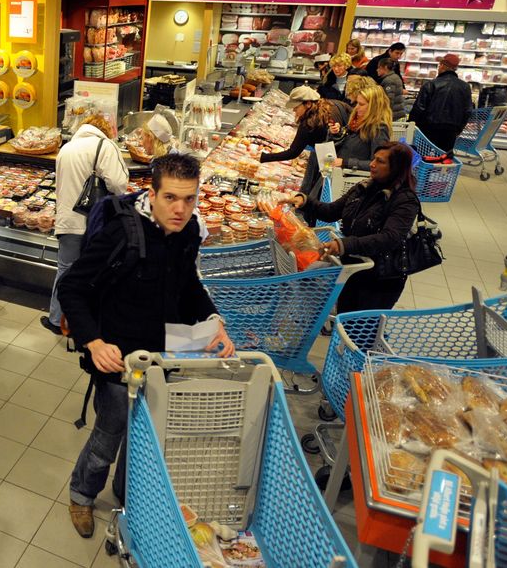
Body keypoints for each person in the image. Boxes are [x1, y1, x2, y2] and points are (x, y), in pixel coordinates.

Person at [57, 154, 233, 538]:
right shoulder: (121, 233)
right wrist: (94, 341)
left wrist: (213, 323)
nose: (181, 209)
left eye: (189, 199)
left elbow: (188, 287)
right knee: (109, 435)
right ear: (151, 193)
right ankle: (81, 494)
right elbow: (70, 287)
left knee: (145, 438)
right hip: (118, 359)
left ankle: (126, 495)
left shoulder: (187, 232)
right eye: (171, 197)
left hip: (164, 357)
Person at [287, 143, 419, 314]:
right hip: (355, 268)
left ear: (396, 168)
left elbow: (390, 238)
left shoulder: (405, 201)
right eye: (373, 159)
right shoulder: (364, 188)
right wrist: (305, 201)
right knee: (344, 315)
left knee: (360, 328)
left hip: (380, 278)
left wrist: (345, 244)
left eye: (380, 161)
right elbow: (331, 211)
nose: (372, 164)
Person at [41, 113, 130, 336]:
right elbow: (119, 185)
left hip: (66, 221)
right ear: (105, 130)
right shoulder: (105, 146)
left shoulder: (67, 148)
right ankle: (86, 323)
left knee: (65, 271)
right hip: (93, 222)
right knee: (93, 272)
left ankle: (56, 319)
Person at [261, 85, 350, 166]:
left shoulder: (308, 124)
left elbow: (292, 153)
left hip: (328, 159)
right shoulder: (334, 104)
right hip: (344, 154)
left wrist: (264, 157)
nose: (294, 111)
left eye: (296, 107)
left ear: (308, 104)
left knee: (324, 178)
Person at [408, 53, 473, 154]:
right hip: (451, 130)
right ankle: (440, 169)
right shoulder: (465, 87)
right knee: (444, 156)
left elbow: (419, 108)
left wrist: (410, 124)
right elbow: (468, 110)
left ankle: (425, 169)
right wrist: (459, 128)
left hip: (428, 129)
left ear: (442, 66)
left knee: (423, 153)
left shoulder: (430, 84)